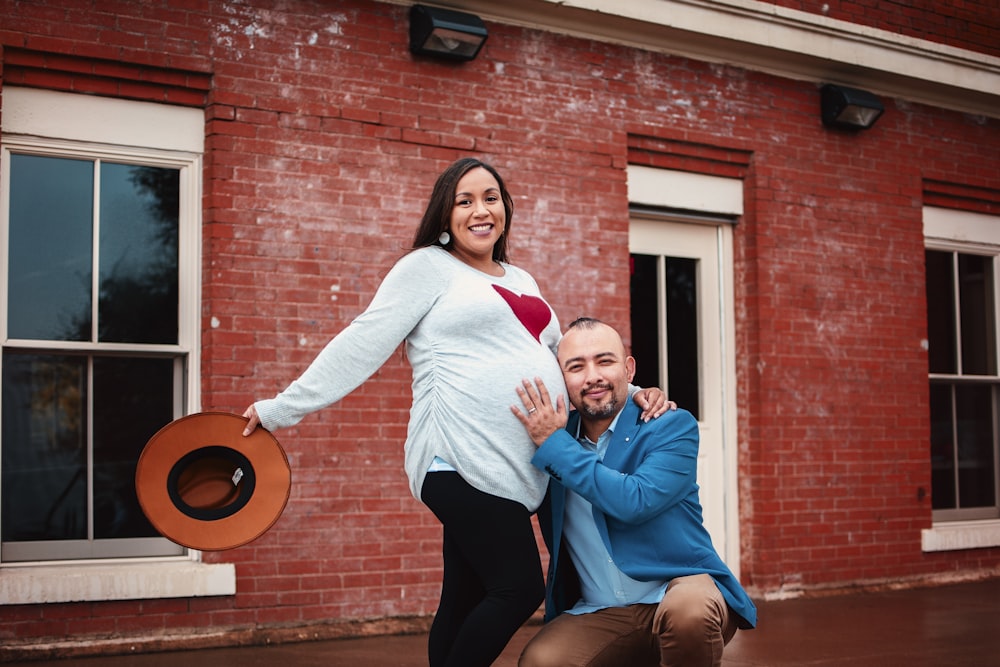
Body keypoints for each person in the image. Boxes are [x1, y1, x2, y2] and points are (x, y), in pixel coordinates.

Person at [241, 158, 669, 667]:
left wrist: (635, 390)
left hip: (513, 470)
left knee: (463, 599)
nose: (480, 210)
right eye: (464, 201)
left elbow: (565, 363)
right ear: (445, 216)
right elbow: (362, 341)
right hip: (456, 459)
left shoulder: (523, 280)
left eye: (491, 198)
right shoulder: (426, 269)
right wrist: (281, 408)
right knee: (518, 586)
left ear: (505, 209)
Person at [511, 317, 757, 667]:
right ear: (560, 378)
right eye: (576, 366)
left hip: (679, 588)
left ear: (628, 368)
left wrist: (556, 445)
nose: (593, 375)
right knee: (541, 661)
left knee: (689, 616)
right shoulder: (553, 432)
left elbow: (634, 501)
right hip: (601, 608)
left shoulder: (669, 425)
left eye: (605, 361)